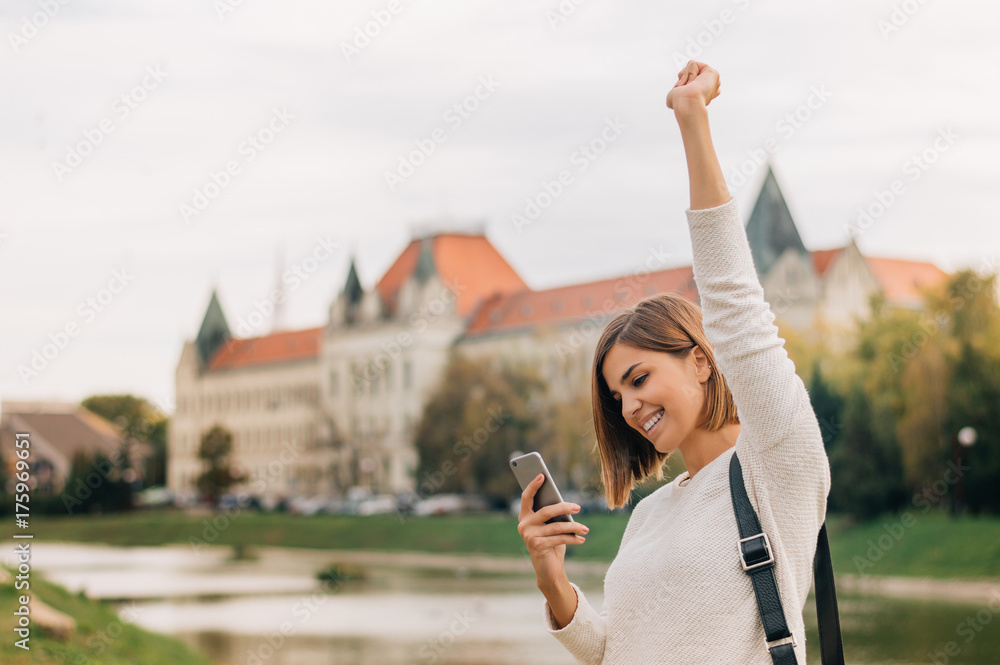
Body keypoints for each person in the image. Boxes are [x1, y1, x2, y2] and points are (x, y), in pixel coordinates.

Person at [515, 60, 831, 664]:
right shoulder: (652, 512)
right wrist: (552, 581)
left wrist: (692, 122)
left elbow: (735, 304)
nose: (630, 407)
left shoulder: (777, 462)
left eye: (639, 379)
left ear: (703, 362)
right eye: (616, 397)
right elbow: (614, 652)